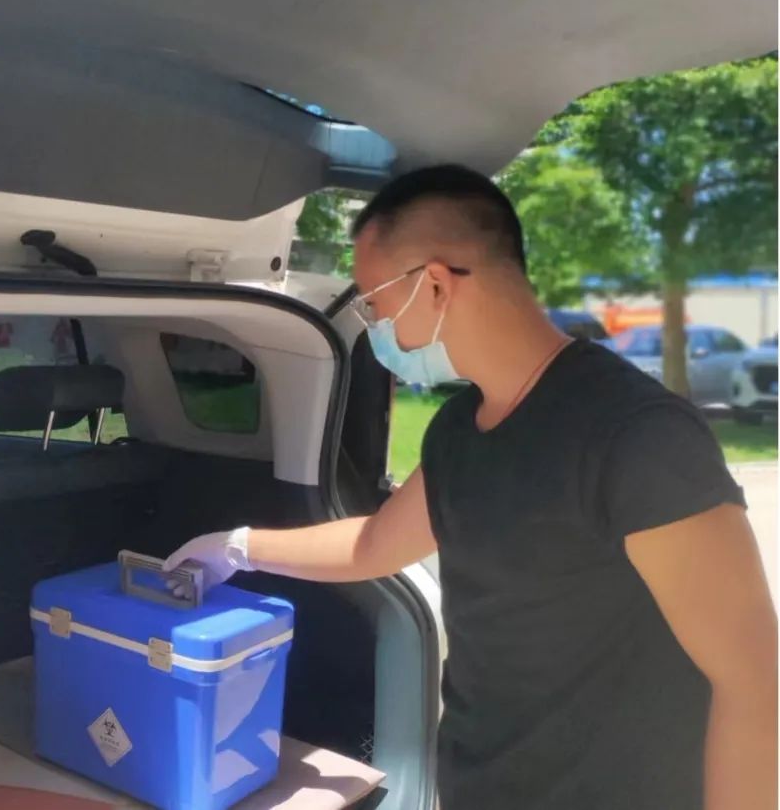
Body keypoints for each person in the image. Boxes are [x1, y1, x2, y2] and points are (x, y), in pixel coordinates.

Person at [164, 165, 778, 810]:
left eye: (373, 303)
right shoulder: (461, 428)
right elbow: (375, 543)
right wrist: (238, 546)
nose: (373, 327)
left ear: (432, 284)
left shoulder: (639, 435)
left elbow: (752, 682)